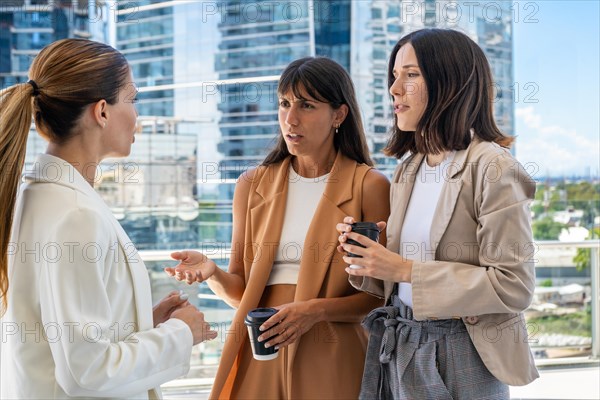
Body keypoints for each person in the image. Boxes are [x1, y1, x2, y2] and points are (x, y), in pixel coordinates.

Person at [0, 38, 217, 399]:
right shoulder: (75, 215)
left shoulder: (35, 198)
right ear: (101, 111)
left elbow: (62, 334)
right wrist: (179, 333)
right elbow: (86, 370)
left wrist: (142, 321)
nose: (137, 116)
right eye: (132, 99)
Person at [166, 57, 390, 399]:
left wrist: (314, 311)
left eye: (307, 105)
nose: (291, 118)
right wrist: (212, 272)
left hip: (333, 353)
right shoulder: (252, 185)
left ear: (339, 115)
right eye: (284, 104)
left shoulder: (368, 186)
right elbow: (243, 293)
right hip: (262, 353)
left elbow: (379, 297)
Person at [336, 28, 539, 399]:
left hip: (464, 349)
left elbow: (514, 285)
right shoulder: (408, 169)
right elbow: (400, 279)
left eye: (411, 75)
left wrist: (403, 269)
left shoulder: (493, 168)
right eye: (394, 76)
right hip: (403, 340)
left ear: (450, 83)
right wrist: (369, 261)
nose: (395, 89)